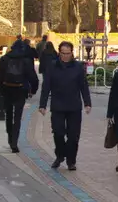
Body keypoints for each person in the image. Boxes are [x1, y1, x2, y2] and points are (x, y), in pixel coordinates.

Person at [39, 40, 91, 170]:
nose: (65, 56)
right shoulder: (52, 66)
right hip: (58, 105)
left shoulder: (78, 67)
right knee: (58, 133)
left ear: (72, 53)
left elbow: (83, 86)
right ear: (59, 53)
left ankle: (71, 160)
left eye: (68, 53)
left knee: (73, 136)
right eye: (63, 53)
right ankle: (60, 155)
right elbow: (46, 86)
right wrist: (42, 104)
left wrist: (87, 103)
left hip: (74, 106)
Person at [0, 38, 39, 153]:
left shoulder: (4, 59)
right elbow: (33, 77)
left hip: (6, 89)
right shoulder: (26, 60)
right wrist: (33, 90)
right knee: (18, 116)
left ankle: (10, 138)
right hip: (21, 90)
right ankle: (15, 141)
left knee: (8, 115)